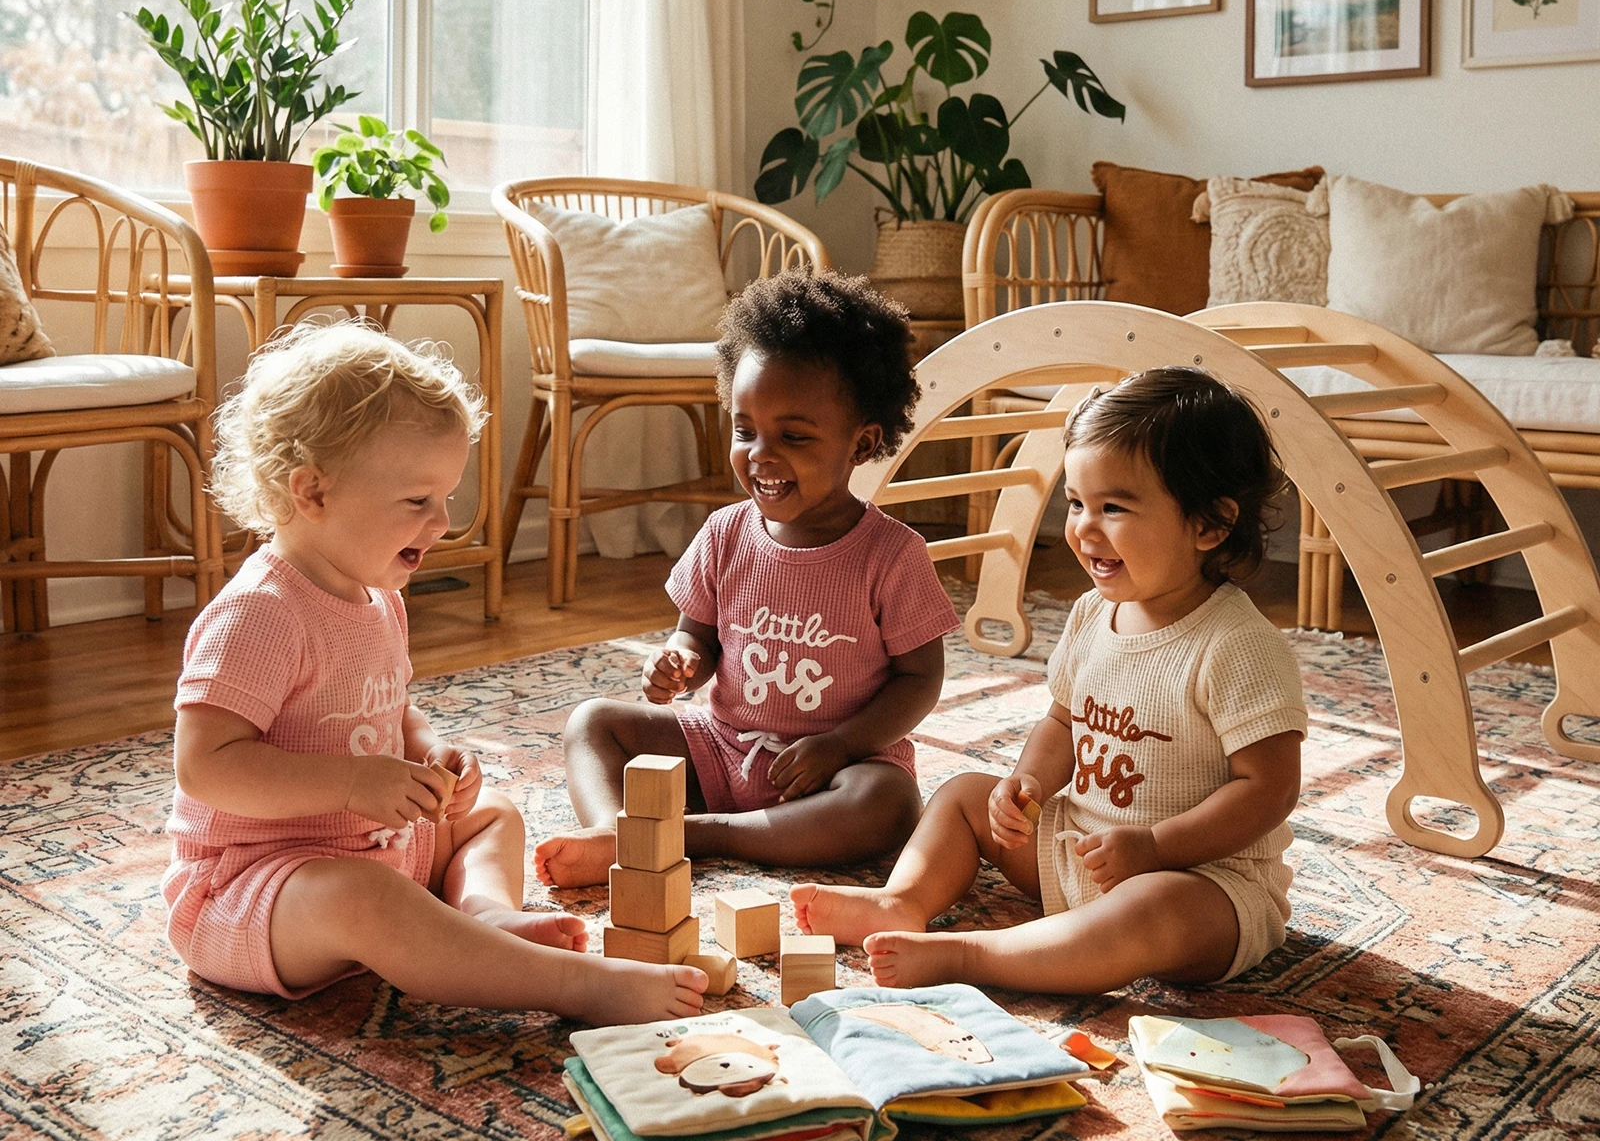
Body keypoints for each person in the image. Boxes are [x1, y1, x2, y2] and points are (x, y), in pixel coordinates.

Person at [164, 322, 705, 1024]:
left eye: (445, 497)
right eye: (418, 502)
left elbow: (392, 709)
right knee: (364, 898)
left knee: (492, 814)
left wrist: (429, 753)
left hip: (372, 846)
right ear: (313, 493)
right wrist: (353, 783)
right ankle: (571, 985)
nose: (443, 521)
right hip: (255, 890)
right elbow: (204, 766)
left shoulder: (378, 596)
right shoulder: (259, 613)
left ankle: (486, 917)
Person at [792, 367, 1306, 996]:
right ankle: (902, 901)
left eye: (1113, 508)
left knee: (1151, 909)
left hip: (1202, 881)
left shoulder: (1237, 645)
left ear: (1210, 525)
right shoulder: (1091, 614)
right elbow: (1063, 721)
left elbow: (1268, 790)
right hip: (1078, 849)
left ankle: (972, 956)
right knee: (963, 794)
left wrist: (1155, 847)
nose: (1084, 528)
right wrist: (1028, 784)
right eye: (1077, 503)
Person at [535, 269, 960, 888]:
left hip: (830, 769)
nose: (760, 453)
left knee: (889, 803)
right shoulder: (725, 533)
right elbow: (698, 637)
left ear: (862, 443)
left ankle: (693, 834)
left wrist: (842, 746)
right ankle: (616, 833)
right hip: (720, 745)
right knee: (591, 723)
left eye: (793, 436)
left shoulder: (893, 555)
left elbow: (920, 680)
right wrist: (680, 661)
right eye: (744, 430)